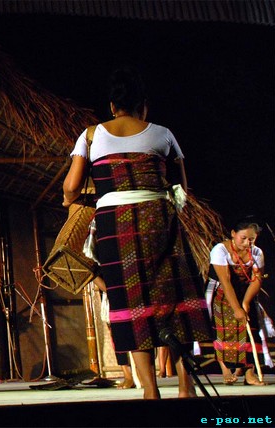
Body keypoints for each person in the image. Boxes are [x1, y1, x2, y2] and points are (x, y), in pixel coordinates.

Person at [62, 67, 212, 399]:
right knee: (175, 299)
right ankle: (186, 387)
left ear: (112, 106)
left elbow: (71, 187)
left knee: (131, 301)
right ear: (143, 105)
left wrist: (73, 199)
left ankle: (150, 390)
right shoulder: (163, 134)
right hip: (159, 219)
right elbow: (182, 188)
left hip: (115, 225)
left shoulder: (91, 135)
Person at [207, 217, 267, 386]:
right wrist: (236, 308)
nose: (248, 243)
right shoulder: (220, 250)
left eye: (252, 239)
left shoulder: (257, 252)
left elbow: (257, 279)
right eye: (244, 238)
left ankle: (249, 373)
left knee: (250, 330)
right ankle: (226, 370)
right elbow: (225, 281)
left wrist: (245, 303)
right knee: (224, 331)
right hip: (221, 293)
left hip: (245, 292)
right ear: (233, 234)